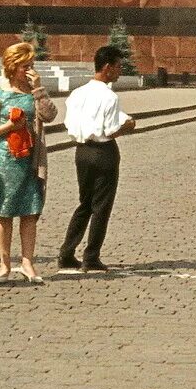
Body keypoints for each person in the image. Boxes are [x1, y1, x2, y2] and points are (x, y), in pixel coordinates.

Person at [0, 42, 56, 283]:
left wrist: (39, 89)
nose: (30, 70)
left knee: (30, 211)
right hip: (7, 158)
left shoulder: (34, 93)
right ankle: (4, 264)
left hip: (32, 158)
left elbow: (50, 115)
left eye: (32, 65)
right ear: (13, 67)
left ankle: (27, 263)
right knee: (4, 211)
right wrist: (9, 127)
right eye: (26, 66)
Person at [59, 45, 136, 272]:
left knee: (85, 202)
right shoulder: (109, 96)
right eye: (118, 67)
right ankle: (91, 256)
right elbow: (111, 130)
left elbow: (69, 123)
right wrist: (128, 126)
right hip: (104, 152)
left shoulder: (77, 93)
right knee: (101, 205)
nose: (120, 71)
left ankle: (67, 252)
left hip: (81, 151)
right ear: (107, 67)